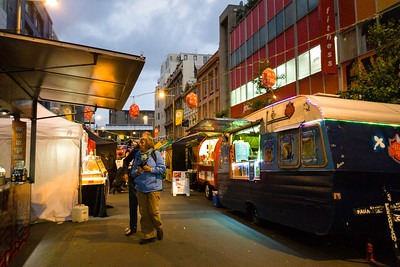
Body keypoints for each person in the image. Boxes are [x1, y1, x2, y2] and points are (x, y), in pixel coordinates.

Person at [131, 136, 166, 244]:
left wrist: (150, 169)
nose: (139, 144)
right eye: (139, 142)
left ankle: (158, 227)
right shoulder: (137, 156)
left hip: (153, 188)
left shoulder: (156, 154)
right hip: (140, 187)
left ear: (147, 144)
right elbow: (132, 173)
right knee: (144, 213)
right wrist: (137, 171)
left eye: (142, 142)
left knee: (153, 212)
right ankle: (148, 235)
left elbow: (162, 169)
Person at [123, 132, 153, 236]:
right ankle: (133, 227)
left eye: (145, 140)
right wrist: (126, 173)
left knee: (149, 209)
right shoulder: (136, 151)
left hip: (147, 183)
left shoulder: (154, 152)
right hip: (135, 181)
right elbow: (126, 161)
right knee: (133, 205)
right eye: (141, 140)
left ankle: (151, 230)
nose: (141, 143)